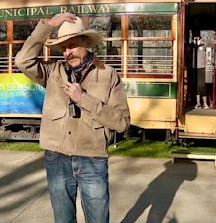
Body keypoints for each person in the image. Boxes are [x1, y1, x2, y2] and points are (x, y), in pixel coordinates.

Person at [15, 13, 130, 222]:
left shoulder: (108, 74)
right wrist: (47, 26)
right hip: (56, 157)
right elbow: (22, 60)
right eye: (64, 48)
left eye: (72, 45)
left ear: (86, 42)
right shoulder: (52, 72)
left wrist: (83, 99)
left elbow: (122, 122)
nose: (67, 52)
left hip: (92, 158)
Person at [194, 36, 209, 109]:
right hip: (194, 68)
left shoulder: (203, 46)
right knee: (196, 86)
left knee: (202, 85)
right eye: (195, 38)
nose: (196, 40)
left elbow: (209, 50)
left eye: (197, 38)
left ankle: (205, 103)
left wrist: (201, 42)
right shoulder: (193, 47)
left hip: (202, 68)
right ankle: (198, 103)